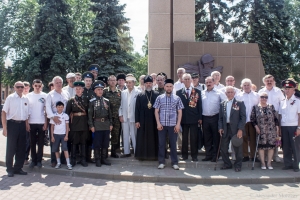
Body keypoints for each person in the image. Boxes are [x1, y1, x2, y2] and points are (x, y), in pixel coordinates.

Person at [154, 79, 183, 170]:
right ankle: (161, 162)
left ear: (173, 87)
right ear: (164, 87)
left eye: (170, 86)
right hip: (162, 125)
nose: (169, 88)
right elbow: (156, 111)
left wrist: (178, 124)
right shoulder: (159, 98)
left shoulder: (177, 98)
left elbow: (180, 112)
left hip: (173, 125)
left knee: (173, 145)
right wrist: (158, 123)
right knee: (162, 144)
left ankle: (174, 162)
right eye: (167, 86)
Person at [2, 81, 29, 177]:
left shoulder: (26, 98)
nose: (20, 88)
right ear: (14, 88)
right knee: (11, 148)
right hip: (12, 124)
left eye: (22, 86)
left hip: (22, 125)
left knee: (21, 148)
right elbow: (4, 112)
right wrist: (4, 128)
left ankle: (18, 168)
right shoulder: (10, 98)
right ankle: (10, 169)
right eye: (18, 87)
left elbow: (26, 114)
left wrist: (27, 125)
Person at [218, 86, 246, 172]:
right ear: (225, 94)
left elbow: (243, 117)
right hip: (226, 128)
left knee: (238, 148)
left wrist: (240, 129)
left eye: (231, 92)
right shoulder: (223, 103)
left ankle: (238, 165)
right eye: (228, 92)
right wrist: (220, 128)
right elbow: (220, 118)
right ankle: (227, 164)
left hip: (236, 129)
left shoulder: (239, 103)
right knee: (223, 148)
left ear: (234, 93)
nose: (230, 94)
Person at [258, 74, 285, 162]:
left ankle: (275, 155)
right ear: (264, 82)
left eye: (271, 81)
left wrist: (280, 116)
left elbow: (283, 103)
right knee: (264, 135)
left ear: (273, 81)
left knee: (275, 135)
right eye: (267, 81)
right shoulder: (261, 91)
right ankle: (265, 156)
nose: (269, 82)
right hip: (263, 114)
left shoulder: (278, 91)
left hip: (275, 114)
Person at [176, 73, 202, 161]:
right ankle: (184, 155)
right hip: (183, 118)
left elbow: (199, 105)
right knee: (184, 138)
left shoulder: (197, 92)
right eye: (185, 79)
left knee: (194, 138)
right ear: (182, 81)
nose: (187, 81)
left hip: (194, 118)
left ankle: (194, 156)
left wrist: (200, 118)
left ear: (191, 80)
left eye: (188, 79)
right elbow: (177, 106)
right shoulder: (179, 92)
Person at [46, 76, 70, 167]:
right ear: (53, 84)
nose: (59, 84)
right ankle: (54, 160)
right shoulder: (50, 94)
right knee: (54, 141)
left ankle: (63, 159)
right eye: (57, 83)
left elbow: (68, 106)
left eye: (60, 82)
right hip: (54, 121)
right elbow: (48, 107)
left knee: (64, 140)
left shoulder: (66, 93)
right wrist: (53, 117)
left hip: (64, 121)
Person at [250, 92, 279, 169]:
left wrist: (277, 128)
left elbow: (276, 119)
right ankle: (263, 163)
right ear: (259, 98)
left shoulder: (271, 106)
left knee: (271, 147)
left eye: (266, 97)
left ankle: (269, 163)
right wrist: (256, 127)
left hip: (271, 130)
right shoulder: (255, 107)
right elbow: (252, 119)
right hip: (260, 130)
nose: (264, 99)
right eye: (262, 97)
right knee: (261, 147)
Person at [88, 81, 113, 167]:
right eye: (98, 89)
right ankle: (97, 159)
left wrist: (111, 124)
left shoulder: (107, 101)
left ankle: (103, 158)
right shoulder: (92, 101)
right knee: (97, 143)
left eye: (101, 89)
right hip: (97, 125)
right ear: (95, 91)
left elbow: (110, 114)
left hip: (106, 124)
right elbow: (90, 115)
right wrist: (91, 125)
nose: (100, 91)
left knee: (105, 143)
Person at [135, 75, 159, 160]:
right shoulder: (140, 95)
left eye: (150, 83)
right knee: (143, 137)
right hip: (143, 119)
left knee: (154, 137)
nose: (148, 85)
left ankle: (154, 156)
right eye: (147, 83)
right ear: (144, 84)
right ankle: (142, 156)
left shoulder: (157, 94)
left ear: (152, 84)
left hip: (154, 119)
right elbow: (136, 109)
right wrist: (137, 121)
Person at [66, 81, 89, 167]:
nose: (78, 90)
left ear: (83, 89)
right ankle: (73, 159)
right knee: (74, 143)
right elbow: (67, 114)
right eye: (77, 89)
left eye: (80, 89)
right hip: (74, 124)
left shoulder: (86, 99)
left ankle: (83, 159)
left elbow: (89, 112)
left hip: (84, 123)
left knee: (83, 142)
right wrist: (68, 126)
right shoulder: (71, 100)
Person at [236, 78, 260, 162]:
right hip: (243, 120)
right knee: (244, 138)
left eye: (248, 85)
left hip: (253, 121)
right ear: (242, 86)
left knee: (253, 139)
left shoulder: (256, 95)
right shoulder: (238, 96)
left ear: (251, 85)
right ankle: (245, 155)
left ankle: (253, 156)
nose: (246, 87)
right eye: (244, 85)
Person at [279, 79, 300, 172]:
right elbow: (280, 116)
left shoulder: (298, 101)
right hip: (284, 126)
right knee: (286, 146)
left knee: (295, 147)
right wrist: (279, 128)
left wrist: (299, 128)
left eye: (289, 88)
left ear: (293, 89)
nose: (287, 90)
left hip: (294, 126)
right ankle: (287, 164)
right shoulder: (282, 101)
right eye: (285, 88)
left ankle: (296, 165)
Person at [201, 76, 223, 162]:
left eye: (210, 82)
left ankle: (215, 155)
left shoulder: (219, 93)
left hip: (215, 117)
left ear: (214, 83)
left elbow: (223, 105)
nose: (208, 84)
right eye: (207, 82)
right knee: (207, 137)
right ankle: (208, 155)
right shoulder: (202, 93)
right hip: (205, 118)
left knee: (216, 137)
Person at [27, 79, 48, 168]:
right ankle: (33, 160)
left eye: (39, 86)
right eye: (36, 86)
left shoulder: (45, 96)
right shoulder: (28, 96)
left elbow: (46, 110)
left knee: (40, 142)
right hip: (31, 122)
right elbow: (26, 110)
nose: (37, 87)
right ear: (33, 86)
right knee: (32, 142)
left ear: (41, 86)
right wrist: (27, 123)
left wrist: (46, 123)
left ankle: (39, 160)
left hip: (41, 122)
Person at [119, 75, 140, 157]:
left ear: (134, 83)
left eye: (130, 83)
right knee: (125, 135)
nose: (128, 84)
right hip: (125, 116)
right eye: (127, 83)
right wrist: (120, 115)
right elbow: (120, 105)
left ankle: (136, 152)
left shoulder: (138, 92)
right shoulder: (123, 92)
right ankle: (126, 152)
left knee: (134, 135)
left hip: (134, 117)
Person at [103, 75, 122, 158]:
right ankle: (105, 152)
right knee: (106, 134)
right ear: (108, 82)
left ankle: (113, 152)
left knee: (115, 134)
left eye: (114, 80)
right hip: (107, 117)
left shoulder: (120, 92)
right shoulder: (104, 91)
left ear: (116, 81)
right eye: (111, 80)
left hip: (116, 117)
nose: (113, 82)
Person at [50, 101, 72, 170]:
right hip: (56, 135)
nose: (60, 108)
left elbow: (67, 126)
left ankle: (68, 163)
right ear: (56, 107)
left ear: (63, 108)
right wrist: (52, 136)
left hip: (63, 135)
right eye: (58, 107)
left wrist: (66, 135)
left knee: (65, 149)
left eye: (61, 107)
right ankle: (58, 163)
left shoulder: (65, 116)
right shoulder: (54, 116)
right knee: (56, 150)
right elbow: (52, 127)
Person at [82, 71, 96, 163]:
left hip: (92, 118)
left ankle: (89, 157)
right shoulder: (80, 90)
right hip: (82, 118)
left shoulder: (94, 91)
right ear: (84, 81)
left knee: (91, 138)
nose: (88, 82)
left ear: (91, 81)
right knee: (83, 138)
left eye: (89, 80)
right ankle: (82, 157)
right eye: (86, 80)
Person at [23, 81, 31, 166]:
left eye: (26, 87)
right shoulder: (19, 97)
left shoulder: (30, 97)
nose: (25, 89)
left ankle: (25, 158)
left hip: (29, 122)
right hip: (19, 122)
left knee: (28, 141)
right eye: (24, 87)